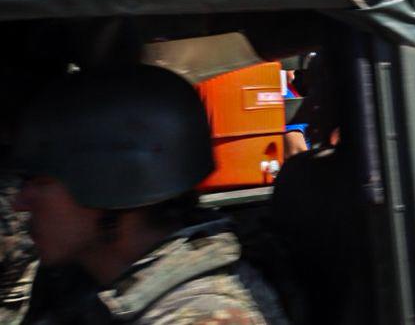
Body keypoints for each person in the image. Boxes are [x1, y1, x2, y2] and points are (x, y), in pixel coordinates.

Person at [10, 64, 289, 324]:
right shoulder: (91, 285)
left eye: (41, 182)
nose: (20, 203)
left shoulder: (200, 315)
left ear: (109, 186)